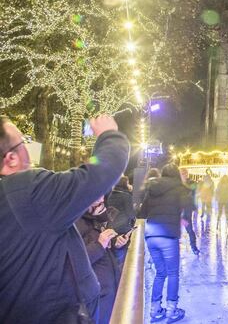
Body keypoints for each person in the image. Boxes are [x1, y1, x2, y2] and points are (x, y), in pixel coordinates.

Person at [0, 115, 129, 324]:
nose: (27, 147)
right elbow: (102, 172)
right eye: (23, 141)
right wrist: (108, 134)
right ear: (11, 158)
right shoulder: (25, 191)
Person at [140, 164, 193, 322]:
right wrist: (183, 219)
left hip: (151, 235)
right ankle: (171, 310)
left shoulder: (152, 188)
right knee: (172, 273)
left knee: (160, 272)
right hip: (168, 235)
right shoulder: (180, 188)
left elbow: (141, 213)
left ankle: (155, 310)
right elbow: (190, 206)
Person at [76, 196, 129, 324]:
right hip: (95, 295)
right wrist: (100, 244)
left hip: (107, 287)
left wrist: (116, 244)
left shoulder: (95, 217)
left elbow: (105, 251)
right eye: (96, 197)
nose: (101, 200)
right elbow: (74, 262)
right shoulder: (74, 223)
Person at [106, 175, 136, 262]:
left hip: (110, 228)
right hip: (122, 230)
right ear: (125, 184)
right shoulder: (127, 196)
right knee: (120, 256)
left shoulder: (110, 195)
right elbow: (131, 214)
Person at [178, 168, 200, 256]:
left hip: (187, 211)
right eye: (182, 173)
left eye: (185, 173)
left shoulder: (192, 183)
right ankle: (173, 249)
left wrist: (195, 206)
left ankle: (194, 248)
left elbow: (195, 195)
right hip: (177, 212)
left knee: (190, 229)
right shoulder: (176, 184)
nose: (184, 175)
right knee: (175, 231)